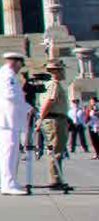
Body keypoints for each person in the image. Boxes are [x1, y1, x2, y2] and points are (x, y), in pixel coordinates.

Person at [0, 54, 31, 195]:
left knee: (11, 153)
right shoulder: (6, 75)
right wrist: (29, 108)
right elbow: (10, 95)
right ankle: (8, 184)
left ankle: (11, 182)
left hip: (9, 119)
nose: (20, 68)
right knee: (8, 153)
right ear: (16, 63)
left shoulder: (3, 74)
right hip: (6, 119)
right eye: (20, 65)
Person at [37, 61, 75, 193]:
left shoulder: (48, 85)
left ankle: (57, 179)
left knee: (56, 150)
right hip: (55, 120)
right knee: (56, 151)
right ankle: (55, 180)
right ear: (55, 72)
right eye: (61, 70)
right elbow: (50, 101)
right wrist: (40, 118)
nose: (64, 72)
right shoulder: (54, 84)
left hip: (57, 118)